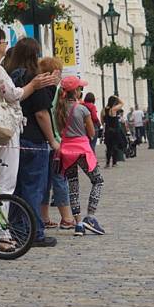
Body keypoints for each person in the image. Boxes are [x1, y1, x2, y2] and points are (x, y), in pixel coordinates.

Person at [0, 26, 58, 246]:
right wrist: (34, 84)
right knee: (5, 184)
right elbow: (13, 95)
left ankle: (2, 231)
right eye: (3, 41)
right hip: (4, 128)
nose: (6, 45)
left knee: (4, 182)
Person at [6, 38, 61, 247]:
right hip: (34, 140)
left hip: (15, 137)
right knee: (33, 188)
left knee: (17, 187)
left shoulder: (11, 76)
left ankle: (17, 230)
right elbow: (41, 113)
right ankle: (35, 232)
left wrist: (52, 88)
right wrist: (53, 141)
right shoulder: (34, 78)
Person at [55, 77, 105, 236]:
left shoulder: (58, 109)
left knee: (73, 186)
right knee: (98, 180)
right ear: (75, 91)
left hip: (66, 151)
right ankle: (90, 216)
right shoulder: (82, 109)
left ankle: (78, 224)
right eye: (79, 89)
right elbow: (91, 133)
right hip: (82, 149)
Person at [39, 57, 77, 231]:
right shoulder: (55, 91)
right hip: (55, 141)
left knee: (46, 182)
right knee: (60, 179)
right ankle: (67, 217)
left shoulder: (43, 89)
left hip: (44, 141)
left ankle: (44, 216)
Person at [101, 96, 124, 167]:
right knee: (115, 146)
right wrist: (116, 97)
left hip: (108, 131)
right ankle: (114, 162)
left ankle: (107, 163)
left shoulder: (104, 110)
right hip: (114, 130)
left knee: (108, 147)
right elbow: (122, 103)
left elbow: (102, 121)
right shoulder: (113, 109)